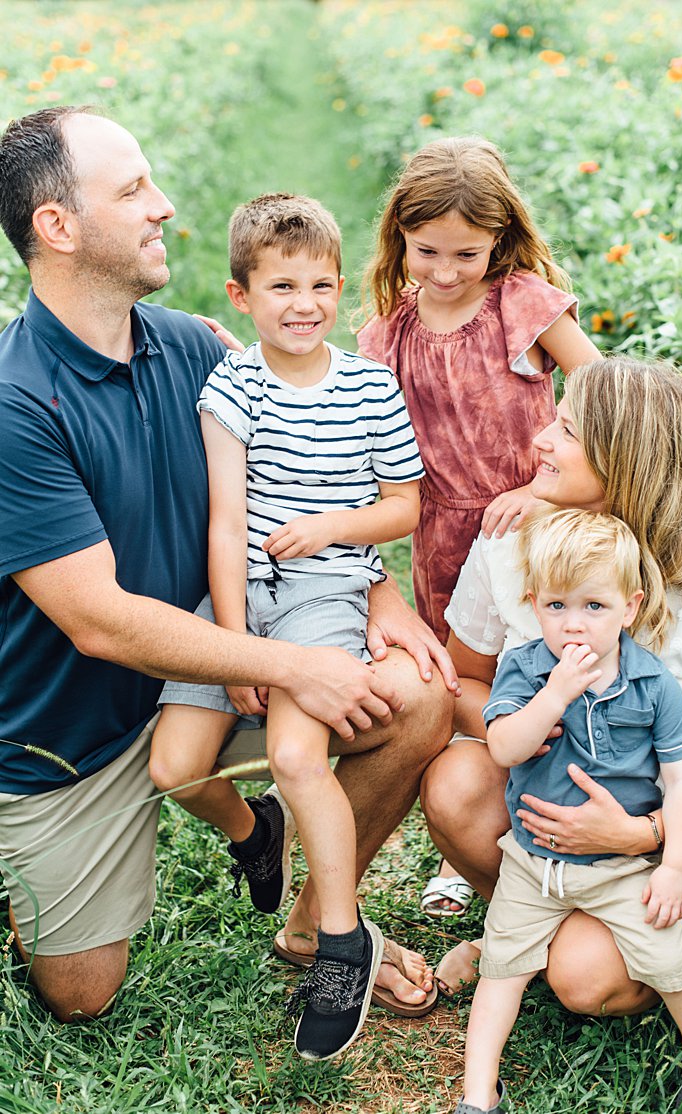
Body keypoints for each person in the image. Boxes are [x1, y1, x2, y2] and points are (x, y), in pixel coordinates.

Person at [0, 105, 449, 1024]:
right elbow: (98, 620)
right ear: (57, 226)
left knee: (418, 697)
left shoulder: (199, 351)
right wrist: (293, 664)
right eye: (132, 191)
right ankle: (244, 829)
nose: (162, 205)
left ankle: (321, 924)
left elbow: (304, 476)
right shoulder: (14, 405)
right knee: (81, 998)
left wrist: (379, 593)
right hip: (67, 731)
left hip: (215, 662)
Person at [145, 193, 428, 1057]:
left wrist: (335, 527)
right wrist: (236, 646)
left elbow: (404, 507)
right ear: (242, 296)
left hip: (320, 598)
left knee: (301, 755)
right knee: (177, 769)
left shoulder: (370, 388)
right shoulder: (232, 387)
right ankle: (254, 831)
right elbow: (225, 523)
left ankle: (338, 941)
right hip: (241, 600)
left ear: (340, 289)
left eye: (317, 286)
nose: (301, 304)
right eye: (280, 287)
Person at [421, 356, 682, 1021]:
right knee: (454, 784)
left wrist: (641, 833)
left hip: (663, 825)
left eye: (565, 431)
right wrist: (533, 722)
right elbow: (466, 682)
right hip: (543, 799)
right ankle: (529, 921)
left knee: (586, 982)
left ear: (625, 460)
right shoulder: (512, 543)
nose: (541, 440)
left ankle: (569, 943)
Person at [356, 135, 601, 917]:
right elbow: (344, 404)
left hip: (532, 530)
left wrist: (544, 489)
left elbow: (601, 392)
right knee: (462, 696)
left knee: (535, 677)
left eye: (468, 253)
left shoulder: (520, 303)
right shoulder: (389, 331)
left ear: (499, 242)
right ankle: (462, 859)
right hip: (438, 540)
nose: (447, 271)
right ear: (399, 234)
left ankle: (555, 832)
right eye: (427, 251)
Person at [457, 508, 682, 1114]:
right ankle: (477, 1095)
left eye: (593, 607)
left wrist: (674, 867)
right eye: (557, 607)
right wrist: (555, 694)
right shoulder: (525, 669)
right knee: (501, 969)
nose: (574, 625)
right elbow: (503, 746)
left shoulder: (653, 686)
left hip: (621, 869)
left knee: (675, 964)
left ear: (629, 608)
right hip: (530, 864)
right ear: (533, 604)